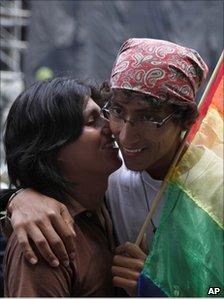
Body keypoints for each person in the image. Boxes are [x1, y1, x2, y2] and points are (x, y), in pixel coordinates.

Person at [1, 39, 209, 294]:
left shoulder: (213, 192)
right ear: (53, 149)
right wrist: (18, 199)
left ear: (185, 120)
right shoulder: (47, 240)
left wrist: (158, 290)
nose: (119, 132)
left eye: (148, 118)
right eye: (117, 112)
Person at [2, 77, 146, 297]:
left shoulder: (112, 203)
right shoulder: (45, 240)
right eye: (91, 121)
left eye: (105, 114)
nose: (111, 127)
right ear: (52, 147)